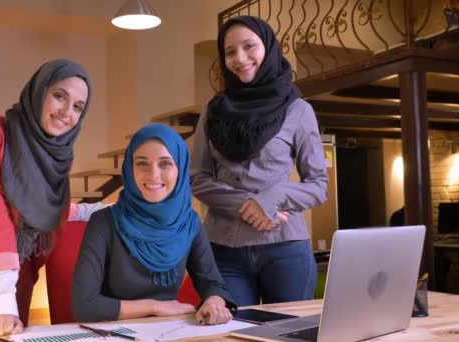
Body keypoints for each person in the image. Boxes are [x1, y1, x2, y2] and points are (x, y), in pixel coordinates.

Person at [0, 59, 105, 336]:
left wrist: (97, 210)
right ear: (39, 90)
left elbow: (38, 207)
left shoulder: (57, 156)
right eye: (59, 96)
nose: (67, 112)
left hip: (17, 281)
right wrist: (2, 305)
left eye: (78, 107)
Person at [190, 16, 328, 306]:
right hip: (224, 250)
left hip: (285, 248)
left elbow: (318, 185)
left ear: (268, 47)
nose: (240, 59)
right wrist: (246, 206)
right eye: (229, 52)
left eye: (249, 46)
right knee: (232, 333)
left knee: (291, 334)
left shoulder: (298, 110)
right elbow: (197, 178)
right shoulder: (212, 111)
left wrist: (273, 197)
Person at [72, 123, 236, 324]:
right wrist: (156, 306)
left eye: (165, 163)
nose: (153, 175)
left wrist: (214, 302)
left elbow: (213, 283)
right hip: (114, 333)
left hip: (168, 332)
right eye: (142, 163)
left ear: (180, 168)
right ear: (129, 168)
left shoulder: (188, 222)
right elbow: (84, 306)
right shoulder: (104, 222)